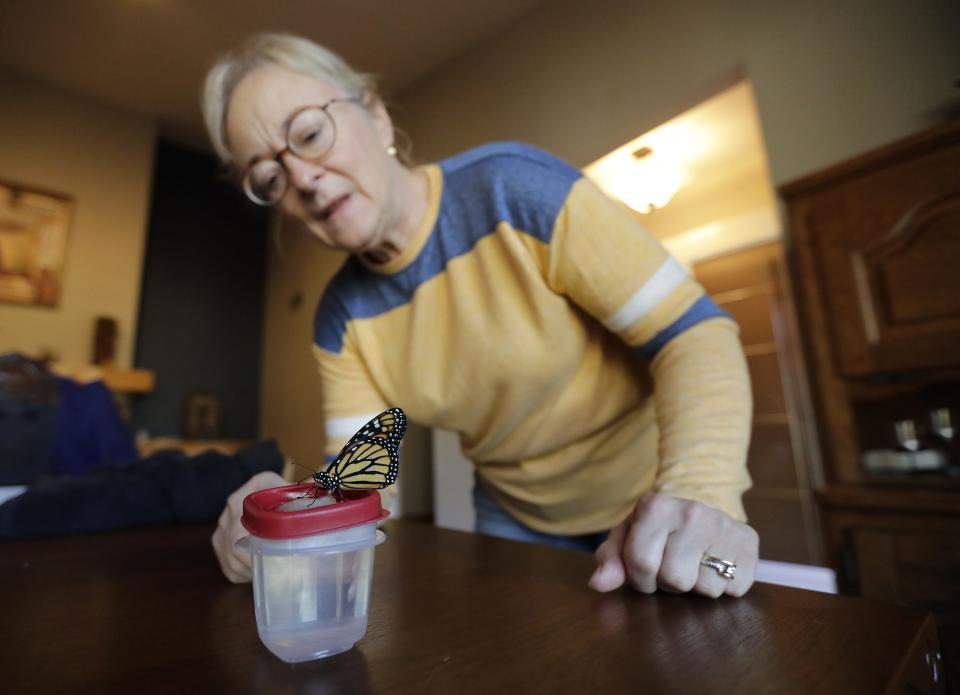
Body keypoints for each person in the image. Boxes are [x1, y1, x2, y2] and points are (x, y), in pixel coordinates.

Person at [204, 33, 758, 597]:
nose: (301, 178)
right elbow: (364, 484)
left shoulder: (514, 192)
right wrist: (285, 510)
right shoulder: (341, 320)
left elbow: (693, 334)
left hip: (656, 497)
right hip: (512, 518)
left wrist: (698, 495)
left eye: (311, 134)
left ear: (375, 117)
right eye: (271, 178)